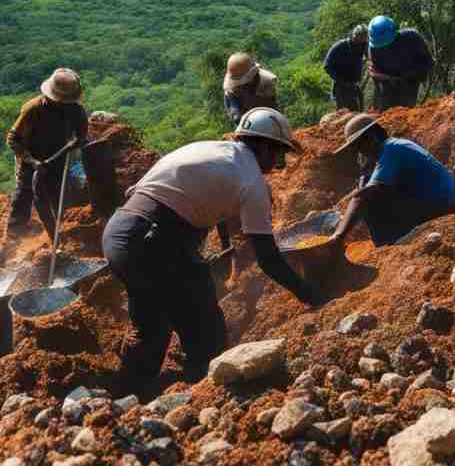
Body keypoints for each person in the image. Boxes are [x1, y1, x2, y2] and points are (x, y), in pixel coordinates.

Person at [102, 107, 321, 396]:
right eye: (278, 154)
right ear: (265, 146)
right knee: (204, 326)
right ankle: (200, 393)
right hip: (152, 242)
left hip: (121, 231)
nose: (277, 164)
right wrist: (308, 294)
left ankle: (126, 396)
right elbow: (267, 259)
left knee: (151, 320)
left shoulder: (210, 149)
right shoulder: (251, 180)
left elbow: (199, 203)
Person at [330, 115, 455, 247]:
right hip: (443, 200)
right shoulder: (395, 145)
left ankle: (392, 245)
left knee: (369, 200)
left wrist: (338, 235)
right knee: (370, 187)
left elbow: (363, 196)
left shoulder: (391, 150)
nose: (360, 154)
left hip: (441, 206)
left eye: (359, 148)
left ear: (372, 139)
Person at [6, 68, 89, 241]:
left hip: (57, 159)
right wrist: (32, 161)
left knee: (57, 194)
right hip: (30, 158)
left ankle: (58, 236)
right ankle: (14, 239)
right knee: (25, 194)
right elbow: (13, 139)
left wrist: (63, 152)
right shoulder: (33, 108)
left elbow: (81, 138)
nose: (64, 104)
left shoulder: (76, 111)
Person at [367, 15, 434, 111]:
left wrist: (405, 77)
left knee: (404, 113)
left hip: (409, 83)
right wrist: (382, 78)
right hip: (387, 85)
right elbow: (374, 71)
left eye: (388, 43)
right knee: (384, 115)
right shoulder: (374, 47)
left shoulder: (412, 38)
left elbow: (428, 63)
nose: (385, 48)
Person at [222, 52, 278, 126]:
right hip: (242, 115)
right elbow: (235, 112)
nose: (240, 86)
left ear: (252, 75)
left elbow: (272, 109)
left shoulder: (266, 82)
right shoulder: (230, 88)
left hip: (264, 113)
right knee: (237, 118)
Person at [323, 24, 368, 111]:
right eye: (360, 38)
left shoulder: (363, 45)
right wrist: (341, 81)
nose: (361, 42)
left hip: (355, 84)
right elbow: (327, 66)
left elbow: (369, 57)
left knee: (359, 110)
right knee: (345, 113)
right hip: (341, 87)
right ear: (354, 35)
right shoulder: (340, 46)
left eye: (364, 39)